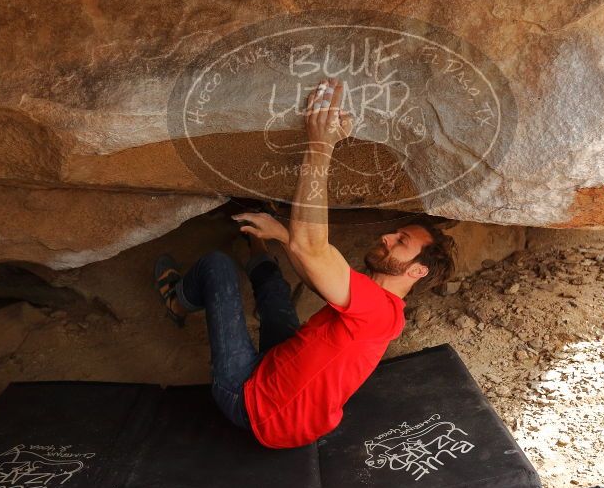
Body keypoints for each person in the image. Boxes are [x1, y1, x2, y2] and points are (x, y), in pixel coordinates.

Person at [154, 77, 457, 449]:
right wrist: (281, 234)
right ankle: (254, 237)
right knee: (277, 293)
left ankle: (177, 301)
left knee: (217, 266)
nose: (387, 237)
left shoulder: (377, 312)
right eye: (395, 234)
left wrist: (320, 144)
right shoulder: (382, 308)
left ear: (418, 270)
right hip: (286, 380)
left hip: (252, 404)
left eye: (401, 242)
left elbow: (313, 250)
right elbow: (317, 276)